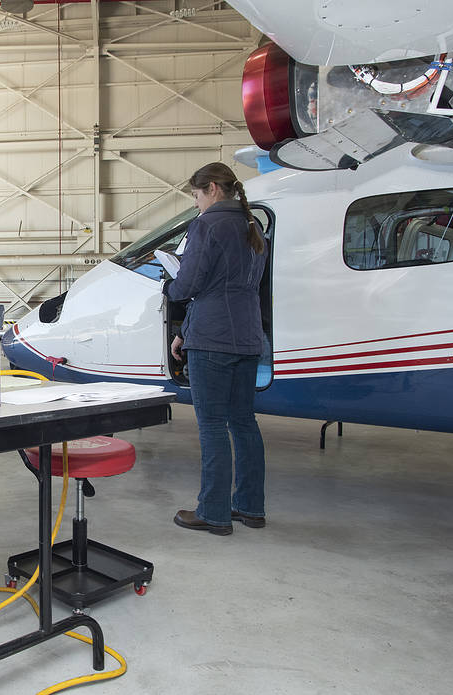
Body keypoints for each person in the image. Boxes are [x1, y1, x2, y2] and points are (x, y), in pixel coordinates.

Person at [164, 162, 267, 536]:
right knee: (243, 422)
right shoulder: (252, 226)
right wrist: (184, 333)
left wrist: (170, 285)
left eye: (196, 196)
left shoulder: (207, 225)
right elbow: (227, 288)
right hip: (247, 336)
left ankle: (213, 512)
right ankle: (251, 507)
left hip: (214, 339)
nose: (196, 205)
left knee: (211, 425)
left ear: (211, 189)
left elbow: (189, 284)